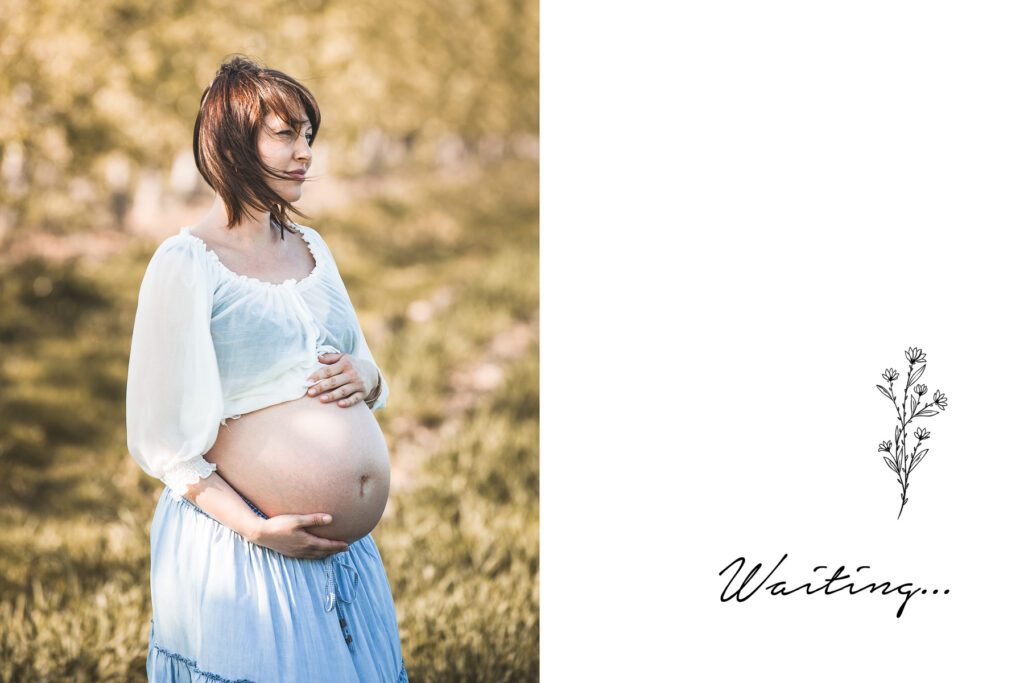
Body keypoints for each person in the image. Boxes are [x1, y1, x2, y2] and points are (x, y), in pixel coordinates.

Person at [126, 56, 407, 682]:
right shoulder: (185, 262)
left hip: (342, 560)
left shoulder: (313, 248)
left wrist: (368, 376)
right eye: (285, 134)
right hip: (244, 548)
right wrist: (258, 529)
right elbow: (160, 439)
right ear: (232, 139)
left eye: (308, 134)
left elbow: (359, 360)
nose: (304, 151)